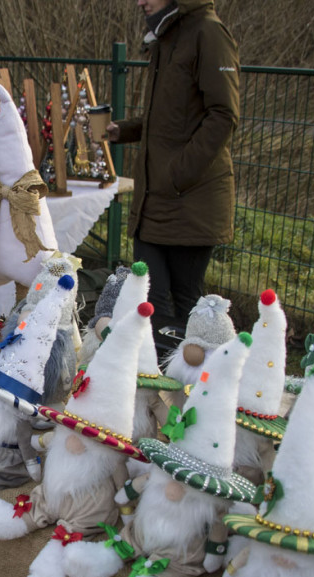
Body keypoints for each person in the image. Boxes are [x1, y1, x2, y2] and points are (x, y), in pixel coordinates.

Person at [108, 0, 239, 340]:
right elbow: (171, 119)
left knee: (185, 309)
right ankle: (159, 371)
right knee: (148, 300)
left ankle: (186, 373)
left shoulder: (208, 33)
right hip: (155, 199)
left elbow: (223, 115)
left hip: (190, 200)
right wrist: (124, 130)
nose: (140, 2)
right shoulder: (168, 36)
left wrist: (176, 175)